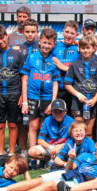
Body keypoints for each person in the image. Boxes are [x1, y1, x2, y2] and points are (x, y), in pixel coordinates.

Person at [0, 133, 97, 191]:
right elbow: (69, 169)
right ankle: (2, 190)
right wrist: (71, 158)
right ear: (96, 145)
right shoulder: (85, 155)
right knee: (37, 181)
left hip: (78, 182)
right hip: (69, 173)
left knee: (49, 186)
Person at [0, 24, 25, 162]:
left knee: (13, 125)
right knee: (0, 125)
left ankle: (11, 153)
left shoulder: (17, 54)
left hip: (14, 93)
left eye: (2, 38)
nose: (0, 41)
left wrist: (22, 95)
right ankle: (1, 154)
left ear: (6, 36)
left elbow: (23, 76)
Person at [20, 27, 60, 163]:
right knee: (33, 126)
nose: (46, 46)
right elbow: (25, 80)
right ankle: (33, 156)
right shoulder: (31, 57)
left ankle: (44, 156)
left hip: (47, 98)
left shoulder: (54, 60)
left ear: (54, 44)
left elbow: (55, 82)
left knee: (44, 126)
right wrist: (24, 101)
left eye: (49, 43)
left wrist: (53, 102)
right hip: (32, 97)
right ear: (39, 41)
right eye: (44, 42)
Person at [64, 35, 97, 135]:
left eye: (88, 48)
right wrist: (78, 95)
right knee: (78, 132)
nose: (85, 50)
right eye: (83, 48)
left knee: (89, 132)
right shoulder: (74, 65)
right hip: (77, 103)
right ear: (79, 48)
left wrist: (95, 99)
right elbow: (67, 84)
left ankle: (89, 146)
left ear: (93, 49)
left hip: (91, 103)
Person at [29, 99, 74, 167]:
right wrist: (51, 147)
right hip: (50, 147)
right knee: (31, 152)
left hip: (64, 147)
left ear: (65, 111)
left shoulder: (71, 121)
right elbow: (40, 140)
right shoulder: (47, 120)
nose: (58, 114)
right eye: (55, 112)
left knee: (72, 151)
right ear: (52, 112)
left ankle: (59, 162)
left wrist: (60, 146)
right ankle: (48, 159)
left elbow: (73, 140)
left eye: (60, 111)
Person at [52, 20, 80, 108]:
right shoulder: (55, 46)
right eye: (67, 32)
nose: (69, 35)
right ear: (63, 31)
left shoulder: (79, 49)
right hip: (56, 89)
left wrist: (64, 68)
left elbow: (81, 70)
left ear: (77, 35)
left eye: (72, 33)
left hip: (72, 89)